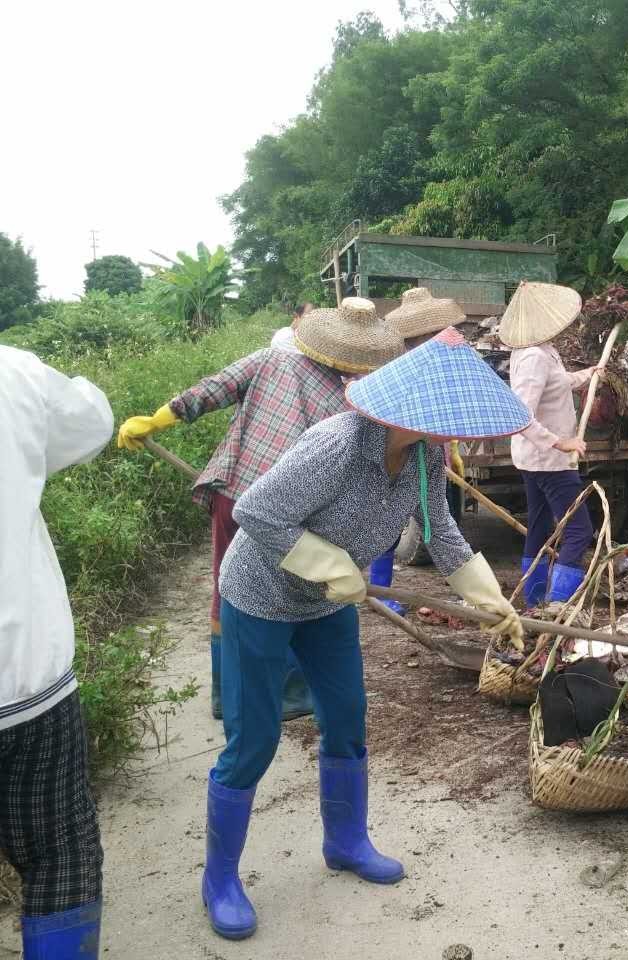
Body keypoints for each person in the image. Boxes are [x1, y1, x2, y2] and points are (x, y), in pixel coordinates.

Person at [201, 327, 529, 940]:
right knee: (254, 739)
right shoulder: (338, 443)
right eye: (449, 419)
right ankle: (219, 879)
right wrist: (328, 564)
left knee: (347, 719)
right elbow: (256, 512)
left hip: (326, 610)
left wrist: (490, 601)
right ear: (416, 410)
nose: (455, 430)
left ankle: (346, 842)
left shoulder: (428, 454)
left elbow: (440, 531)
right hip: (261, 597)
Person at [116, 298, 403, 722]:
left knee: (229, 589)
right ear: (364, 358)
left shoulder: (270, 360)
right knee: (290, 592)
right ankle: (286, 695)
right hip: (293, 517)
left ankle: (227, 694)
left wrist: (155, 420)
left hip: (235, 497)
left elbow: (209, 390)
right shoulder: (352, 402)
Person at [0, 345, 114, 958]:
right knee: (58, 852)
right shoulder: (12, 371)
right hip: (23, 680)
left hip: (28, 681)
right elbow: (91, 421)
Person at [499, 281, 602, 606]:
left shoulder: (543, 350)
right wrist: (560, 443)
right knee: (579, 532)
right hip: (548, 461)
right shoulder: (533, 357)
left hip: (536, 460)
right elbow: (522, 415)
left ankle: (534, 601)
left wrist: (588, 374)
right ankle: (556, 609)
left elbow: (557, 384)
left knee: (539, 527)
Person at [372, 287, 468, 608]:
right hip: (395, 450)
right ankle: (380, 592)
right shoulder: (398, 364)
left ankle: (463, 587)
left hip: (428, 449)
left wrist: (450, 447)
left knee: (443, 517)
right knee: (387, 520)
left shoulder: (439, 360)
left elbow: (445, 407)